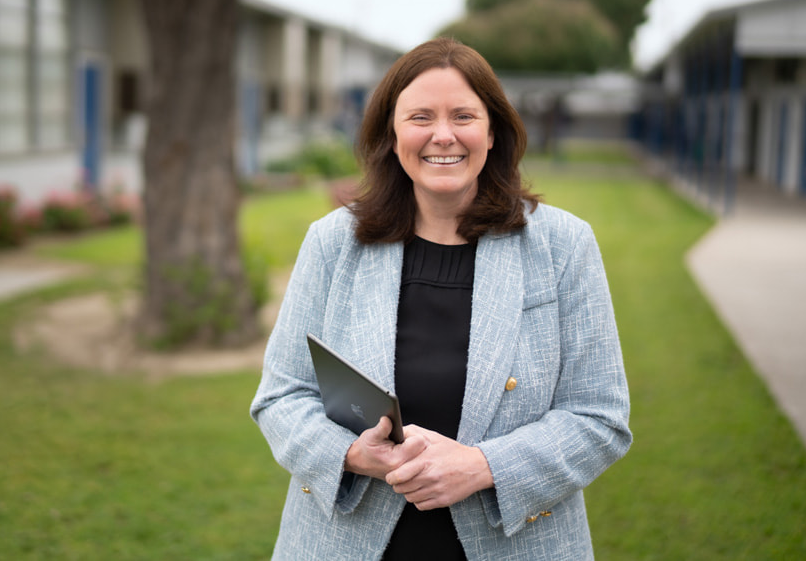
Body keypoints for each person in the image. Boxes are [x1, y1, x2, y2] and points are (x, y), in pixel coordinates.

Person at [250, 37, 631, 560]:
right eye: (421, 116)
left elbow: (600, 417)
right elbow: (280, 397)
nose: (443, 135)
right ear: (393, 132)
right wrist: (351, 454)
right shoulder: (332, 243)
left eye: (464, 116)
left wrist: (482, 467)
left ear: (493, 131)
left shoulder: (563, 246)